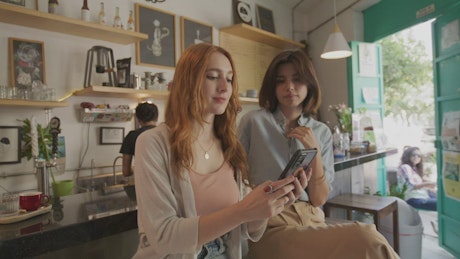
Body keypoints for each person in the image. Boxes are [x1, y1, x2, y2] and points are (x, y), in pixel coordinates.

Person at [132, 43, 298, 259]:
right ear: (187, 82)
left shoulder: (229, 143)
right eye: (212, 76)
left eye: (229, 79)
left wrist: (265, 208)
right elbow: (164, 235)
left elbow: (245, 229)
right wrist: (243, 210)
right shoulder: (153, 142)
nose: (224, 87)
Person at [238, 49, 399, 258]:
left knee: (364, 242)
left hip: (312, 219)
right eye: (281, 81)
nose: (289, 87)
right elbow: (235, 176)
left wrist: (314, 151)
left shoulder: (321, 131)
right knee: (367, 237)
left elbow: (318, 198)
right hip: (269, 223)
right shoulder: (252, 122)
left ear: (309, 84)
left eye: (297, 79)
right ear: (273, 85)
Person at [119, 102, 159, 177]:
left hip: (141, 184)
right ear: (157, 117)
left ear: (138, 119)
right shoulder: (167, 134)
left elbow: (126, 171)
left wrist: (137, 170)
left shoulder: (132, 136)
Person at [398, 146, 437, 211]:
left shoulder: (414, 169)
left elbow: (419, 186)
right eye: (413, 155)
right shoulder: (405, 167)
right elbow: (410, 186)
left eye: (419, 155)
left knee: (446, 201)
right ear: (408, 156)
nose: (416, 157)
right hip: (414, 199)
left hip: (423, 196)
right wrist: (427, 184)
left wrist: (429, 188)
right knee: (442, 204)